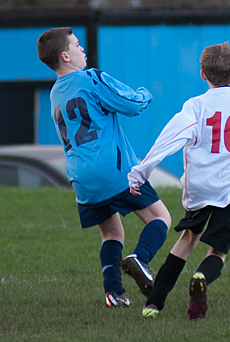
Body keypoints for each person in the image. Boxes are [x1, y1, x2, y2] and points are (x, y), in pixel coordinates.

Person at [127, 42, 230, 320]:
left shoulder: (196, 106)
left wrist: (142, 171)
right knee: (219, 250)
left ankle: (153, 304)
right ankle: (201, 276)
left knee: (188, 239)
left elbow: (170, 139)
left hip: (201, 187)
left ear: (202, 74)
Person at [37, 28, 172, 307]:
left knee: (112, 233)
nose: (82, 49)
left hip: (81, 177)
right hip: (112, 169)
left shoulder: (54, 93)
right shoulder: (90, 78)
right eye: (76, 45)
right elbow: (130, 105)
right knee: (160, 218)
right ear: (65, 55)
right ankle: (141, 258)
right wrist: (145, 94)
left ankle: (113, 293)